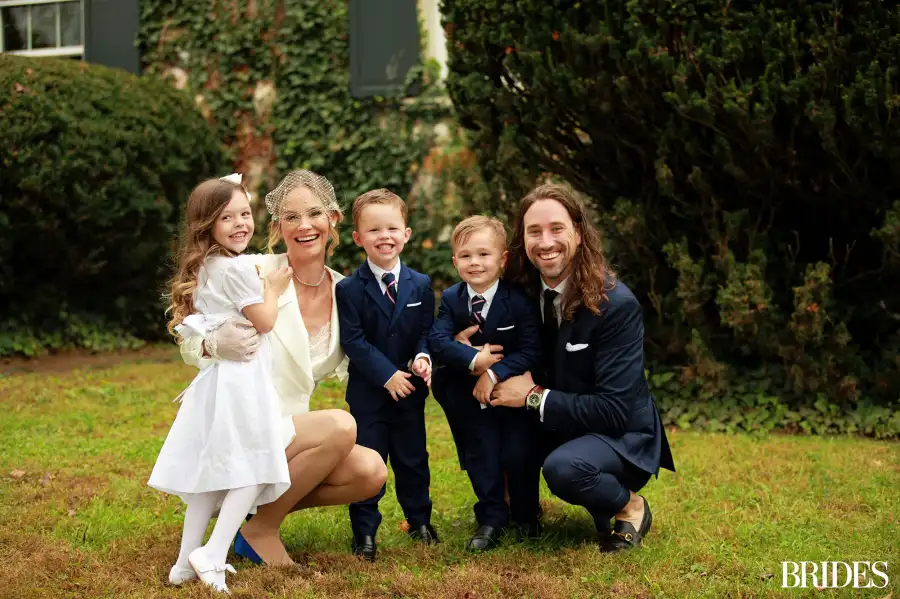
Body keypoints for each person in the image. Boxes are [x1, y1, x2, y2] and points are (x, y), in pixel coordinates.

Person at [177, 170, 388, 567]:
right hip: (243, 424)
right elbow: (187, 330)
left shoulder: (350, 291)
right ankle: (261, 530)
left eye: (314, 214)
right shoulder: (253, 271)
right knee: (340, 426)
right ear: (277, 227)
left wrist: (436, 351)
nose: (304, 226)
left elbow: (372, 356)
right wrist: (209, 344)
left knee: (370, 470)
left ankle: (250, 520)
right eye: (291, 217)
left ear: (333, 220)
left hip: (294, 438)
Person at [488, 182, 675, 552]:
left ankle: (629, 505)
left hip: (618, 435)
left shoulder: (615, 304)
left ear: (578, 231)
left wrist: (532, 398)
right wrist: (465, 347)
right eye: (534, 231)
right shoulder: (519, 290)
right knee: (483, 415)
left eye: (557, 229)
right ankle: (509, 507)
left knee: (565, 469)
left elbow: (614, 409)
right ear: (521, 239)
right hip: (557, 422)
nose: (546, 242)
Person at [149, 175, 295, 593]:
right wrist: (273, 288)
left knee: (213, 476)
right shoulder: (236, 268)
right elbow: (264, 322)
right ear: (206, 225)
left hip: (218, 382)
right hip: (242, 380)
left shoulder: (207, 265)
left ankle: (182, 563)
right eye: (226, 217)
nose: (240, 224)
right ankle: (212, 552)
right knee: (255, 463)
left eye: (245, 214)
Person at [334, 188, 437, 562]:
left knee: (413, 459)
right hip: (370, 394)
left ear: (406, 234)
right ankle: (364, 533)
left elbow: (425, 332)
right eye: (374, 230)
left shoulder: (421, 285)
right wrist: (387, 375)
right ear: (358, 238)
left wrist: (423, 356)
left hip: (410, 391)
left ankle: (419, 521)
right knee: (369, 463)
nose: (385, 237)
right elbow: (355, 342)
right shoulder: (347, 289)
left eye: (392, 228)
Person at [429, 215, 543, 551]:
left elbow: (531, 350)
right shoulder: (451, 298)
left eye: (484, 254)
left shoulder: (517, 300)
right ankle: (491, 517)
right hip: (470, 397)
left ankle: (526, 515)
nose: (475, 263)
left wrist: (493, 372)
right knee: (482, 453)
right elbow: (437, 340)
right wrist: (473, 361)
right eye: (465, 256)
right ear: (455, 262)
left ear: (502, 259)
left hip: (512, 394)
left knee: (519, 452)